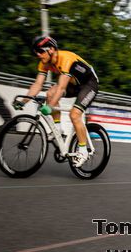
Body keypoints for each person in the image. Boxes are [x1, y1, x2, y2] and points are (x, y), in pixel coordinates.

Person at [22, 36, 99, 167]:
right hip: (74, 85)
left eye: (40, 51)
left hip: (89, 84)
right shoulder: (44, 63)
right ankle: (58, 131)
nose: (38, 55)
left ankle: (83, 151)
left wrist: (50, 107)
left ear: (51, 49)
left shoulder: (65, 59)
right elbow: (38, 84)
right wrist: (24, 101)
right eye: (36, 53)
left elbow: (62, 88)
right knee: (50, 93)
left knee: (74, 115)